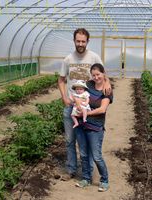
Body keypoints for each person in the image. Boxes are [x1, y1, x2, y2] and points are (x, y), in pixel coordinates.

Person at [58, 28, 111, 180]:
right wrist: (64, 97)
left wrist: (107, 86)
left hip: (88, 107)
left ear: (87, 41)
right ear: (74, 41)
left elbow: (104, 75)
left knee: (86, 141)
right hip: (71, 107)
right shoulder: (68, 59)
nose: (80, 43)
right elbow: (61, 80)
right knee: (69, 140)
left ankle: (87, 173)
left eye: (83, 41)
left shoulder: (94, 57)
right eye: (78, 41)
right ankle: (71, 170)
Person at [75, 63, 113, 192]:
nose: (96, 77)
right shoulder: (88, 85)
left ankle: (104, 180)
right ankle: (86, 178)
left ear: (103, 73)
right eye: (94, 75)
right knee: (84, 154)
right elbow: (78, 91)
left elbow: (102, 109)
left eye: (99, 74)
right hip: (81, 125)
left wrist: (86, 113)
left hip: (95, 127)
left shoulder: (107, 91)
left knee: (96, 156)